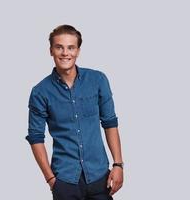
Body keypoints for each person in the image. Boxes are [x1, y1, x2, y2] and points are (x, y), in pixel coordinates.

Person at [26, 24, 124, 200]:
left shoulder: (98, 80)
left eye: (71, 47)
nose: (65, 53)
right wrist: (51, 179)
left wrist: (118, 164)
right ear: (51, 51)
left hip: (100, 177)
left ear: (78, 51)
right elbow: (35, 137)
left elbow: (110, 123)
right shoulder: (40, 92)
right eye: (59, 47)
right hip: (65, 180)